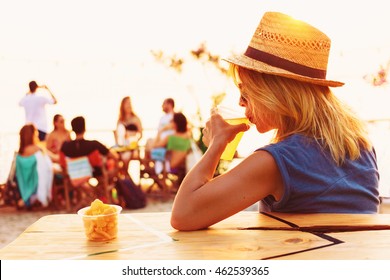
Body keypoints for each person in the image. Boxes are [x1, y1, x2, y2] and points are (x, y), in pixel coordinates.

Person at [171, 12, 380, 231]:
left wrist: (216, 145)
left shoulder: (278, 161)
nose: (241, 103)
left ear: (275, 93)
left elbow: (183, 216)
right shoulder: (362, 146)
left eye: (245, 92)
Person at [15, 124, 53, 208]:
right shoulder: (36, 149)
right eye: (36, 134)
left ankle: (27, 198)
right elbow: (51, 158)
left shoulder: (20, 152)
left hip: (23, 184)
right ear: (32, 135)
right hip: (35, 182)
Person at [114, 96, 143, 177]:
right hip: (122, 145)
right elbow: (117, 135)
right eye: (127, 103)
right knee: (114, 156)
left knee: (126, 156)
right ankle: (124, 178)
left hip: (131, 145)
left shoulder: (136, 118)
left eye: (130, 103)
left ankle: (125, 177)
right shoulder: (120, 120)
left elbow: (140, 134)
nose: (129, 105)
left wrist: (133, 140)